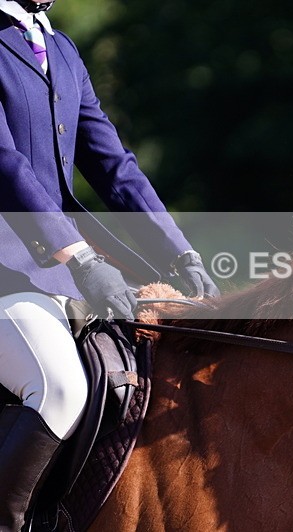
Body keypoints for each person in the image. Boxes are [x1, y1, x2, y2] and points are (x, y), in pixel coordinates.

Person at [0, 0, 219, 528]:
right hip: (7, 270)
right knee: (58, 388)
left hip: (55, 268)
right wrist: (77, 257)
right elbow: (5, 165)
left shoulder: (60, 49)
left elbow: (112, 163)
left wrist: (178, 252)